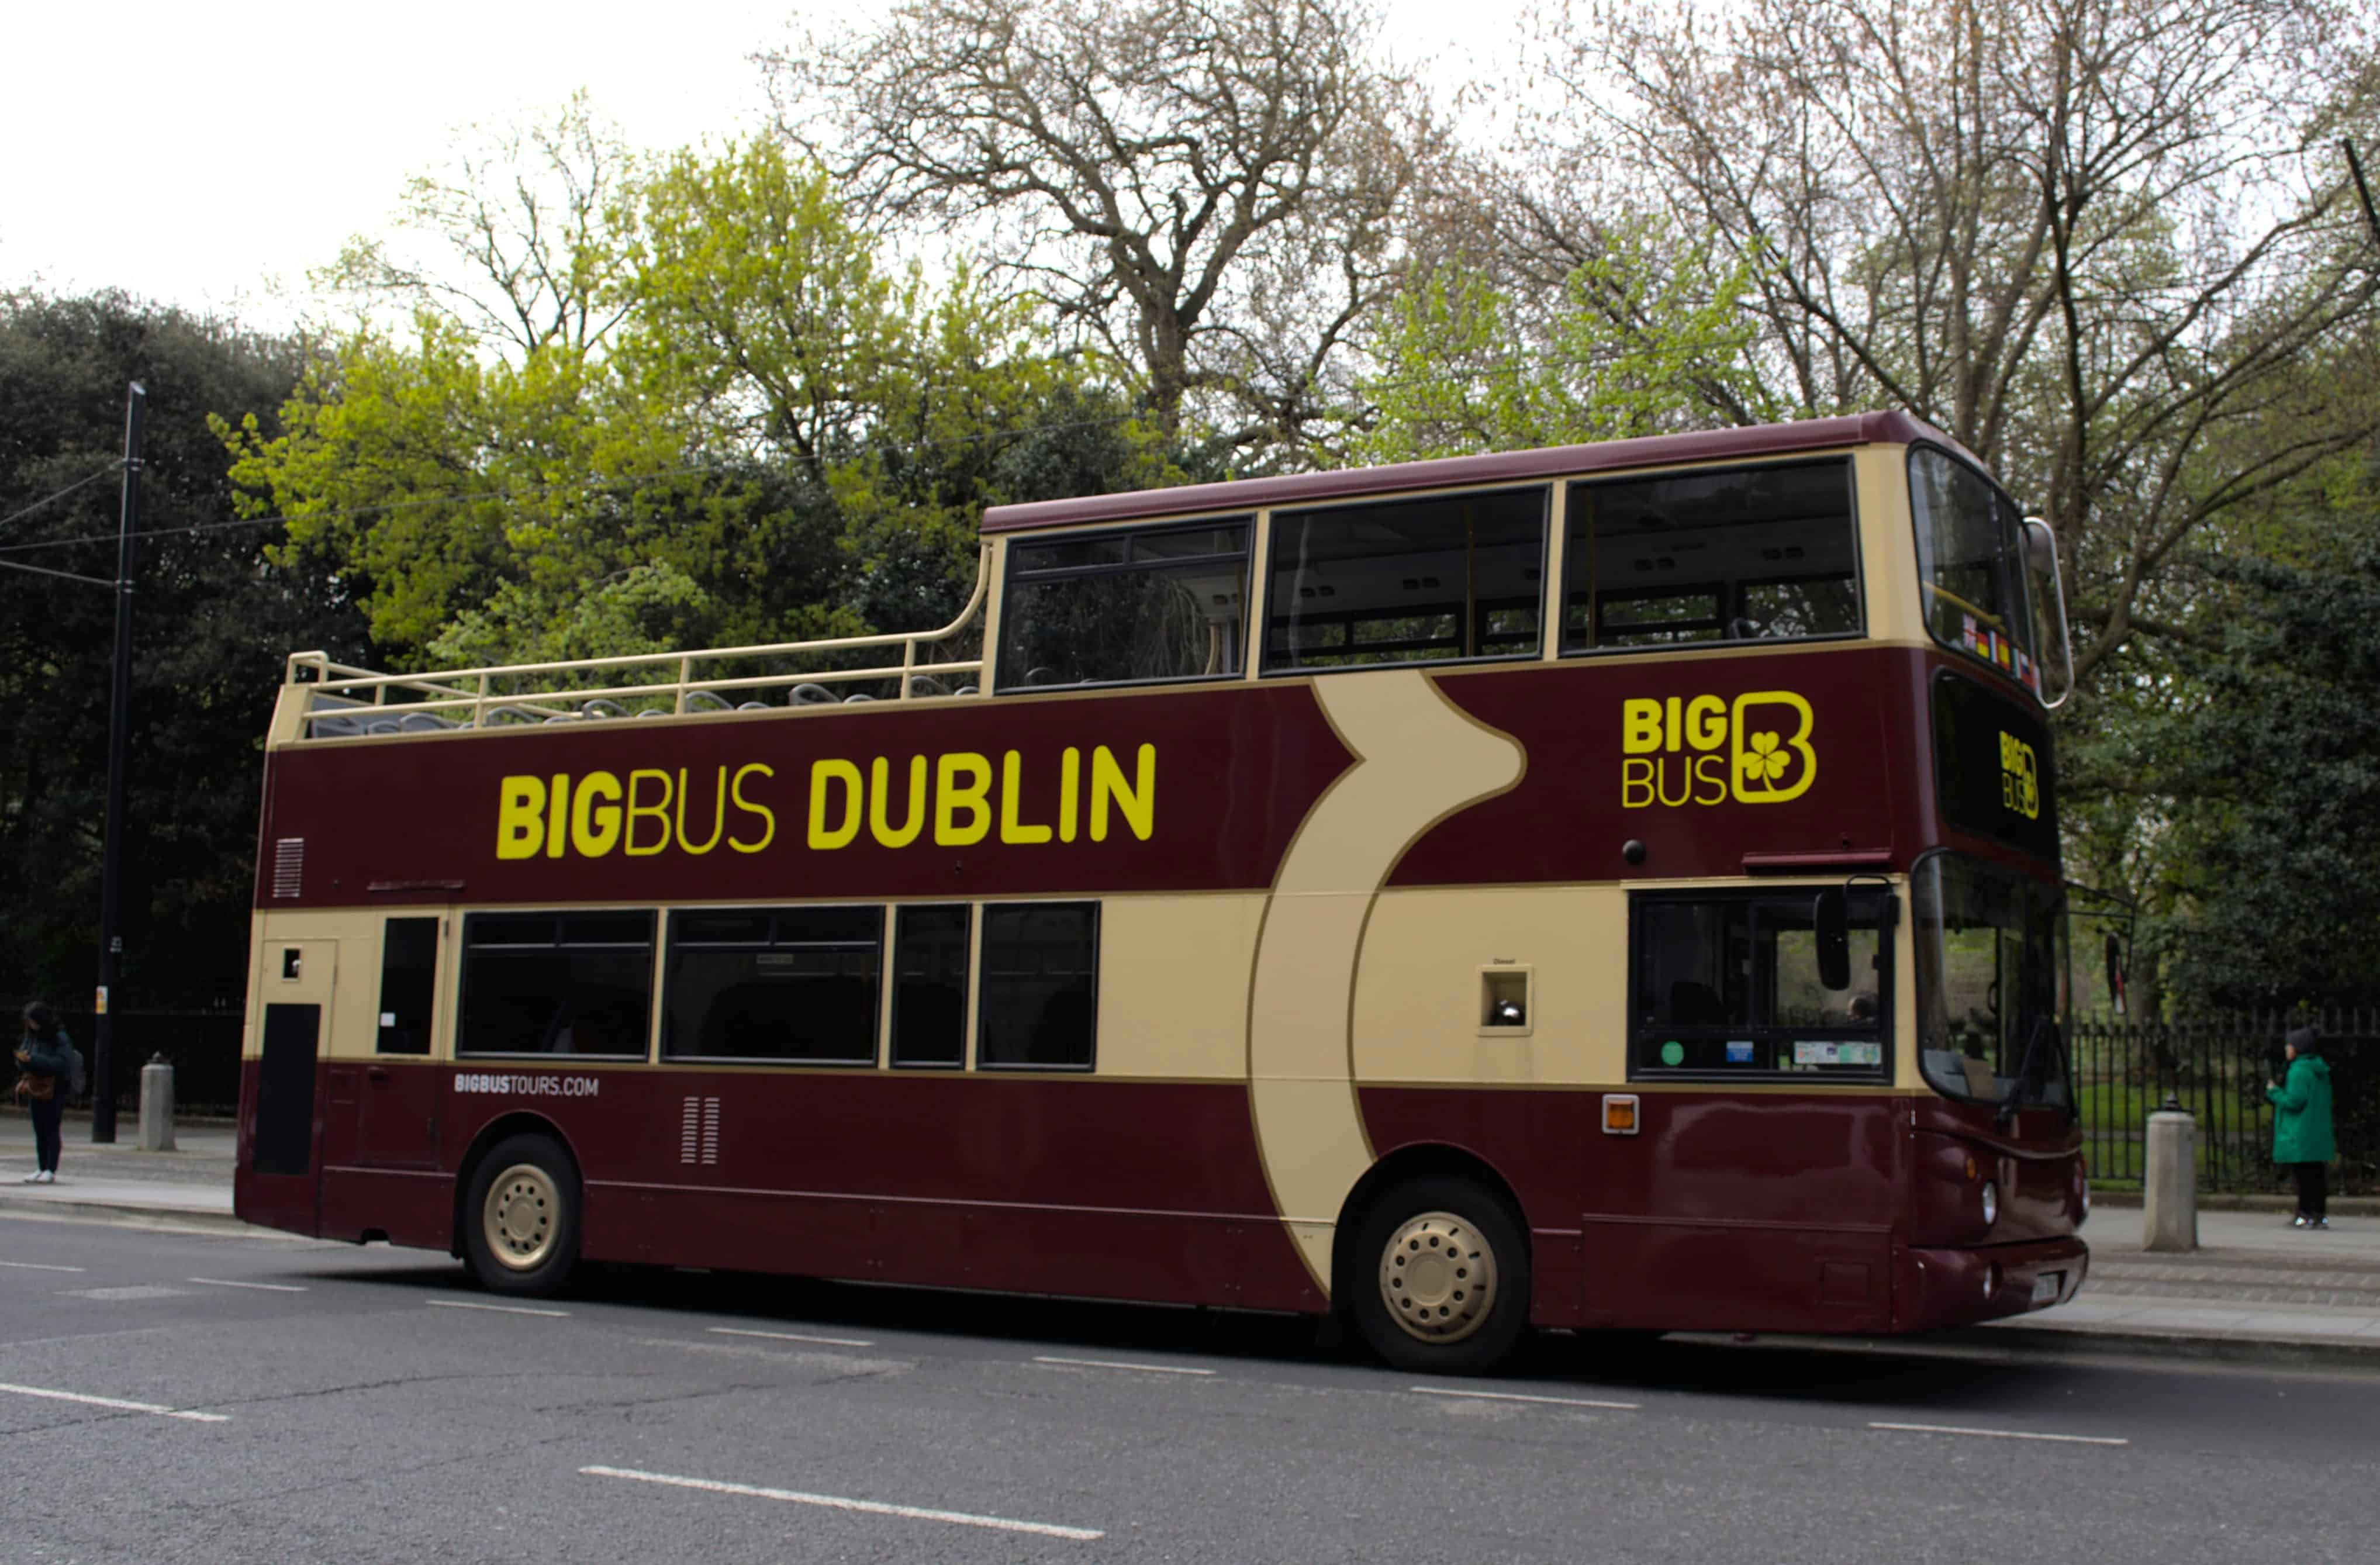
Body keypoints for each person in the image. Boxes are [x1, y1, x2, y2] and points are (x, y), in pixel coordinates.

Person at [2266, 1026, 2335, 1230]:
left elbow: (2295, 1101)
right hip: (2317, 1131)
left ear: (2298, 1048)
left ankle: (2304, 1214)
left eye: (2290, 1045)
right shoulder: (2318, 1068)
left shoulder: (2299, 1070)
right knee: (2317, 1175)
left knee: (2304, 1176)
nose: (2287, 1049)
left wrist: (2274, 1092)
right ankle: (2319, 1215)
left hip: (2301, 1131)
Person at [13, 1001, 76, 1184]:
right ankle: (41, 1167)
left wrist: (34, 1060)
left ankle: (50, 1169)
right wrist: (22, 1060)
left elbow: (61, 1063)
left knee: (51, 1128)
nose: (31, 1025)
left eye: (33, 1021)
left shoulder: (59, 1037)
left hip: (54, 1087)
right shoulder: (32, 1037)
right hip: (36, 1085)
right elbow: (26, 1053)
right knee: (39, 1129)